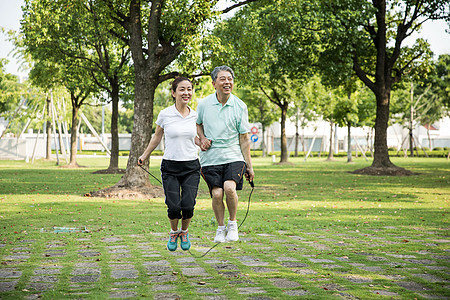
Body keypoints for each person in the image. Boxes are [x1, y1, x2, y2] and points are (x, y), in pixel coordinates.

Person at [138, 77, 200, 252]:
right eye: (182, 89)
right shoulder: (165, 114)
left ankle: (184, 231)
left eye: (189, 89)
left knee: (188, 204)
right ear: (174, 93)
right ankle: (174, 232)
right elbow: (157, 137)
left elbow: (195, 138)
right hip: (170, 167)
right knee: (173, 206)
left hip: (191, 166)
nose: (186, 92)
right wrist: (144, 155)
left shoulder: (196, 115)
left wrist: (202, 142)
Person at [196, 65, 255, 243]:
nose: (227, 82)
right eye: (222, 79)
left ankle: (233, 224)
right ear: (214, 83)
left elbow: (244, 138)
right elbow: (197, 124)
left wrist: (249, 166)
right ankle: (220, 228)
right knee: (217, 194)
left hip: (233, 155)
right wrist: (203, 138)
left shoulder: (240, 106)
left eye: (230, 79)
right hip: (210, 158)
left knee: (229, 189)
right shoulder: (204, 104)